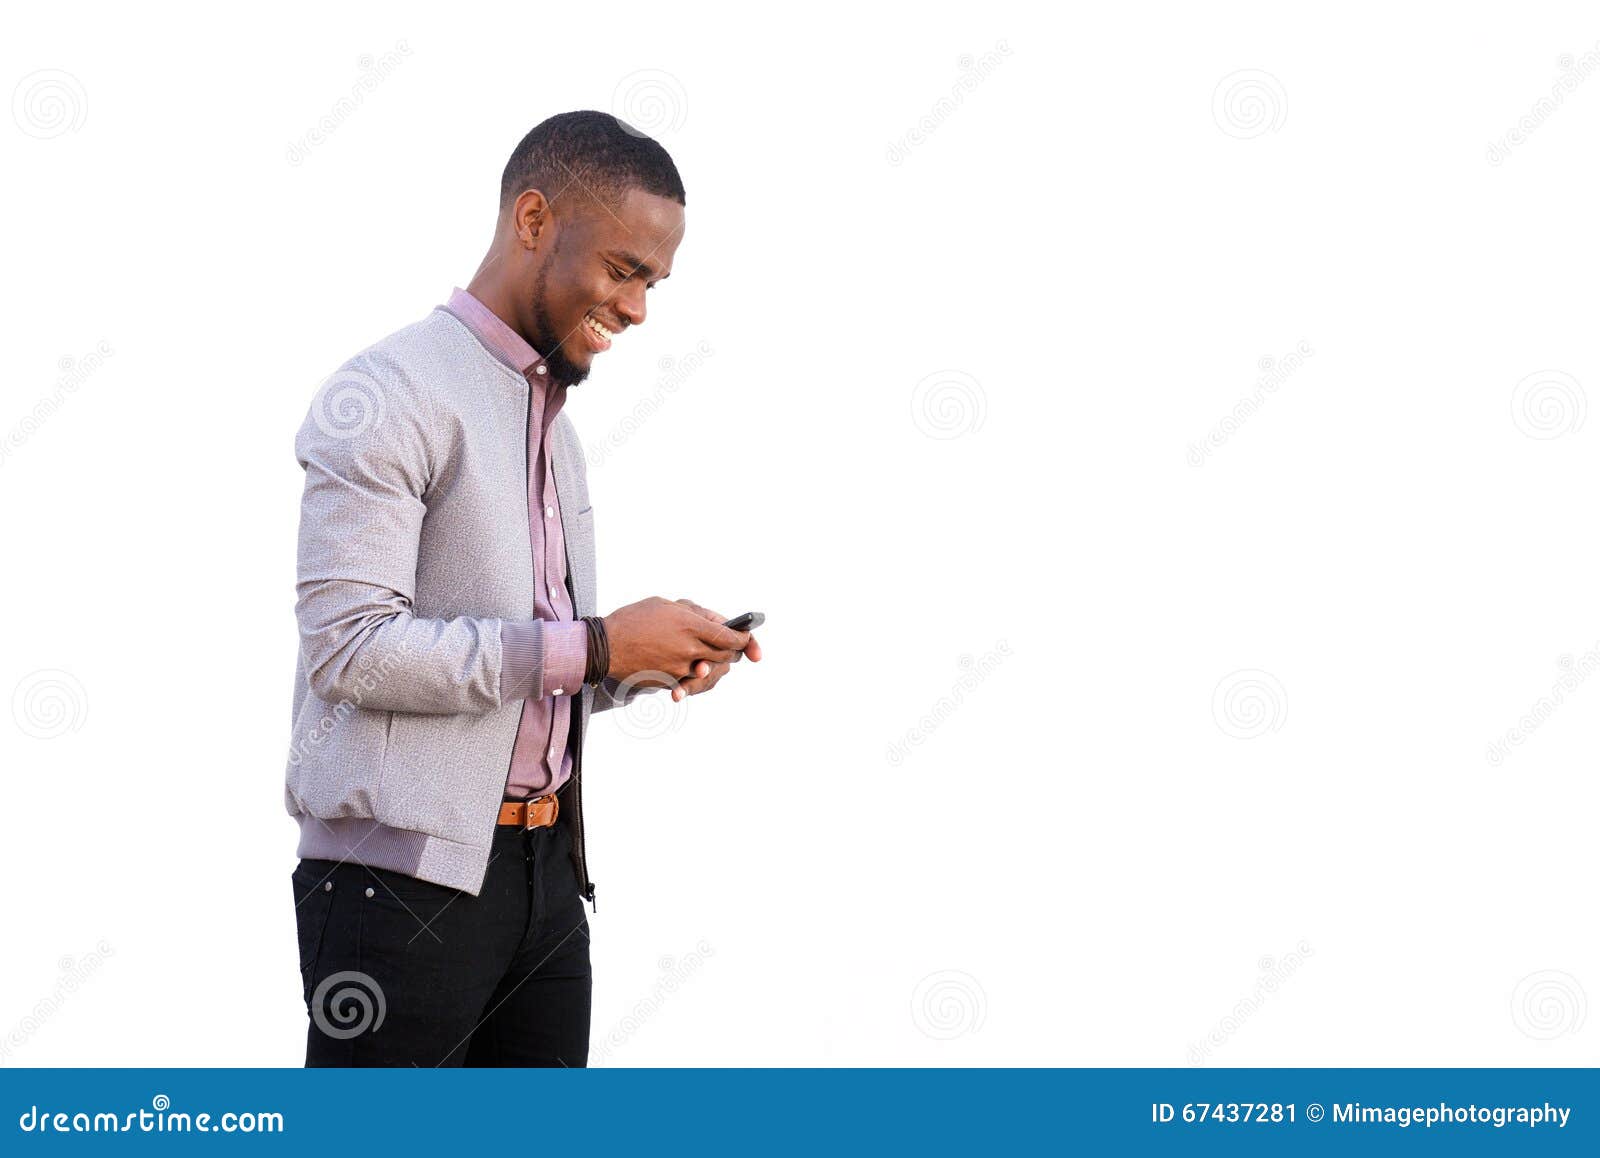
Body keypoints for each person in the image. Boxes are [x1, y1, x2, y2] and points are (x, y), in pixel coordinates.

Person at [283, 110, 761, 1067]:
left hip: (549, 880)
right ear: (534, 219)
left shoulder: (556, 424)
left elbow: (522, 666)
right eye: (624, 270)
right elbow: (350, 649)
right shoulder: (389, 393)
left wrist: (637, 665)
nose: (636, 310)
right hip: (398, 890)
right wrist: (596, 646)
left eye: (652, 285)